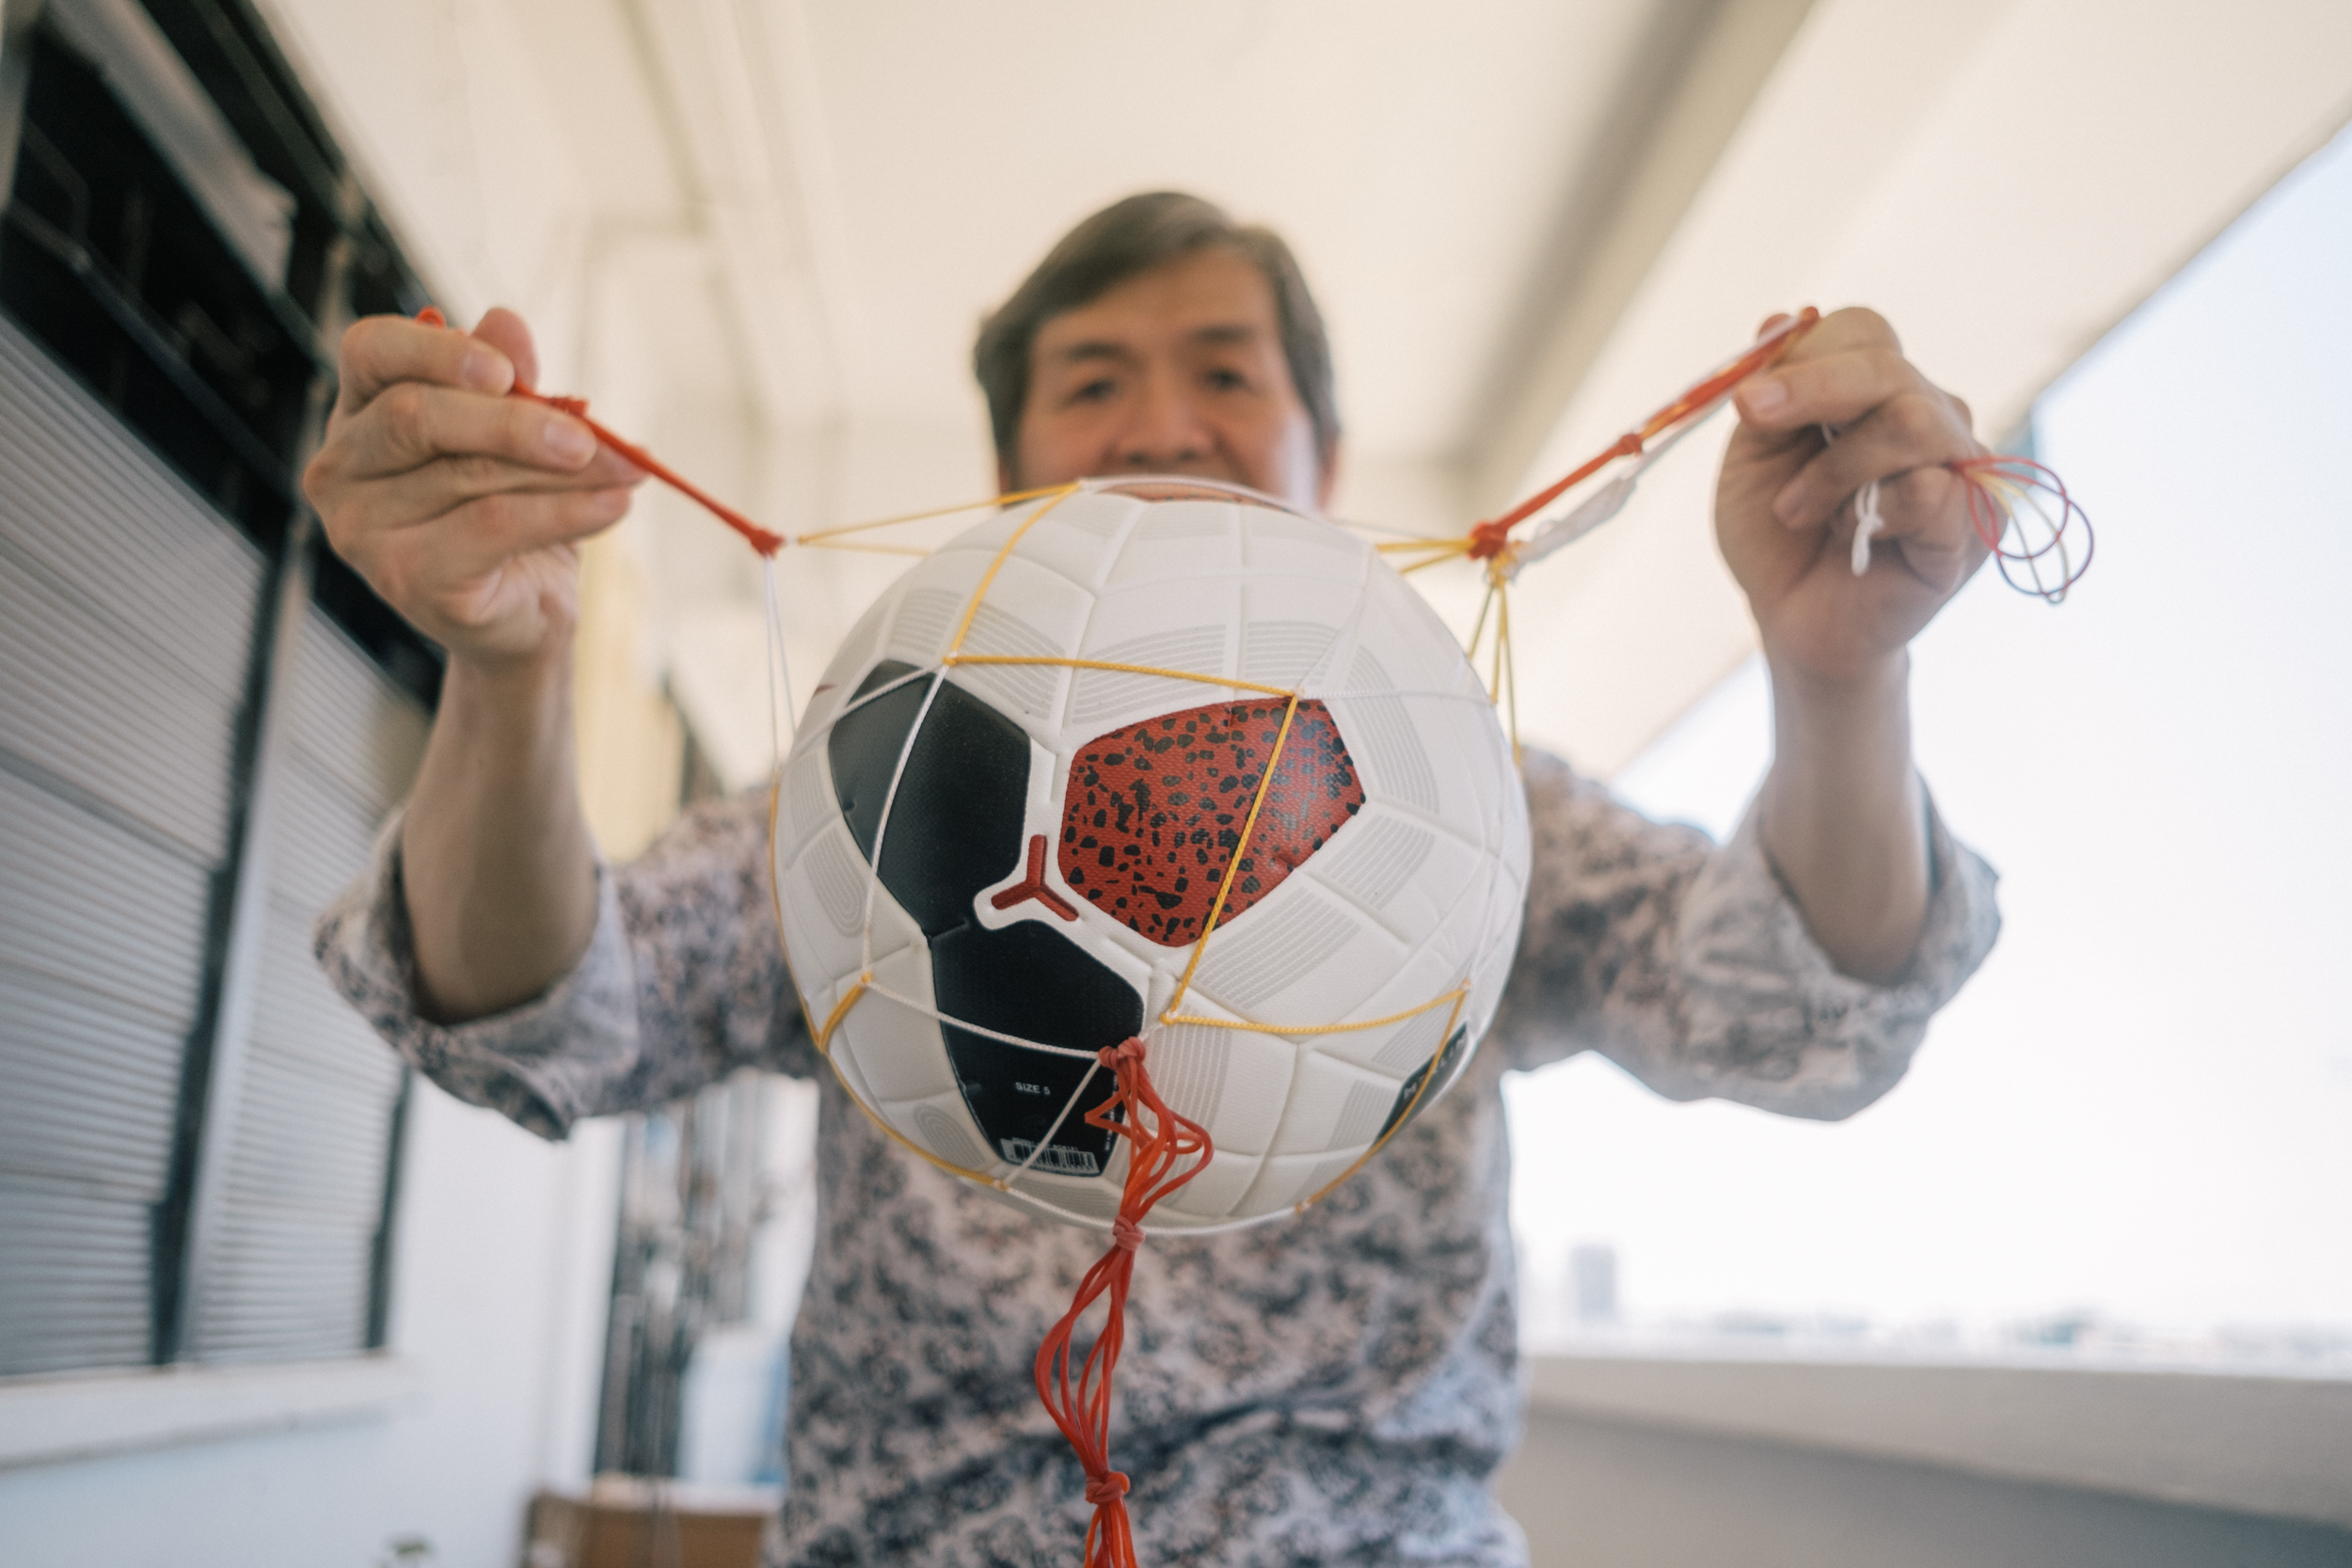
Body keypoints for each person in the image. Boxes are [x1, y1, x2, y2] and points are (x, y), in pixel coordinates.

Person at [308, 192, 1998, 1566]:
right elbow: (540, 1016)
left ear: (1323, 462)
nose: (1166, 420)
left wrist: (1837, 679)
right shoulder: (882, 775)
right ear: (1017, 481)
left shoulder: (1473, 804)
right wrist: (509, 673)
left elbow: (1797, 1023)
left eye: (1227, 372)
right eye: (1095, 378)